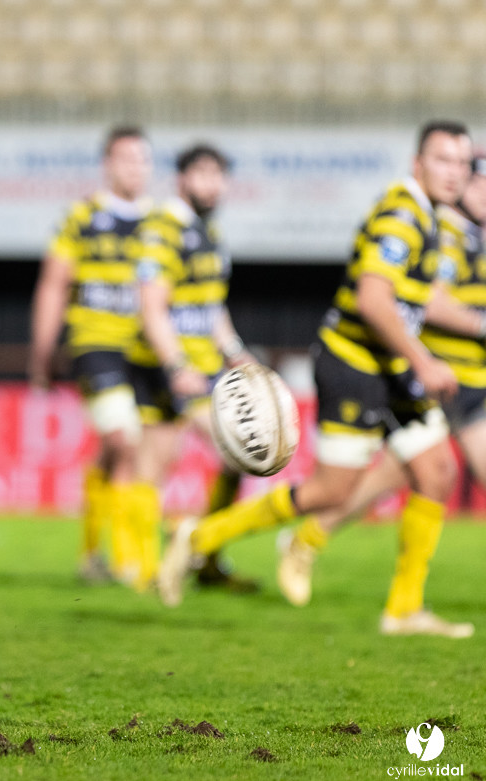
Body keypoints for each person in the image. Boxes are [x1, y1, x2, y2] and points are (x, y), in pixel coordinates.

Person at [159, 122, 476, 638]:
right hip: (355, 364)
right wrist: (421, 360)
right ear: (418, 163)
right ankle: (200, 536)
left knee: (436, 469)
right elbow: (373, 300)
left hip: (387, 367)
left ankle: (403, 609)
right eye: (443, 160)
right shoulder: (403, 215)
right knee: (331, 491)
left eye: (462, 163)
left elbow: (416, 299)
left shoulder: (430, 217)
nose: (454, 172)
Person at [277, 154, 486, 619]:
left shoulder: (472, 235)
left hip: (471, 382)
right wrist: (477, 323)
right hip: (433, 375)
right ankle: (304, 539)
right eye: (481, 184)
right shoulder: (441, 231)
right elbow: (423, 301)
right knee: (367, 483)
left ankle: (308, 541)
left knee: (392, 480)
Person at [125, 144, 254, 593]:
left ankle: (202, 557)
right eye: (202, 173)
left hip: (206, 364)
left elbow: (210, 305)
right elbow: (152, 306)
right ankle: (159, 564)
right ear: (181, 178)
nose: (211, 183)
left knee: (228, 458)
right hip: (171, 365)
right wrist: (176, 364)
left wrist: (236, 350)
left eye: (218, 175)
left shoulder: (209, 232)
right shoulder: (164, 229)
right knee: (224, 451)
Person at [28, 126, 153, 584]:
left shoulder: (161, 223)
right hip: (95, 343)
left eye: (142, 160)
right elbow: (54, 283)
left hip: (144, 350)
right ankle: (127, 563)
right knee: (124, 441)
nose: (134, 168)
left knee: (115, 452)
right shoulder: (82, 216)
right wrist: (42, 349)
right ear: (108, 163)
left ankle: (90, 553)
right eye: (126, 159)